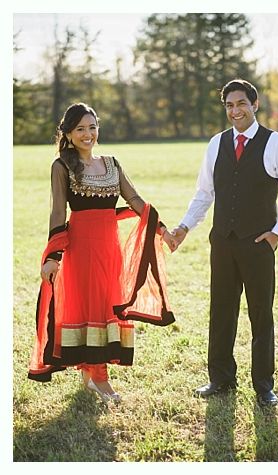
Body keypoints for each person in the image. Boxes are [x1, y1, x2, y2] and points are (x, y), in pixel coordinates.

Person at [167, 79, 278, 407]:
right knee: (221, 312)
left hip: (258, 244)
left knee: (261, 315)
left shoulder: (277, 144)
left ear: (255, 105)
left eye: (241, 103)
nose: (235, 111)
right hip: (223, 244)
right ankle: (221, 379)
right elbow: (204, 193)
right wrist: (185, 226)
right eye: (229, 105)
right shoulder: (216, 144)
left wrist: (276, 234)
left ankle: (263, 386)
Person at [29, 103, 176, 403]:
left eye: (92, 127)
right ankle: (99, 379)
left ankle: (90, 374)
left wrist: (161, 229)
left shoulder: (112, 164)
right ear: (68, 133)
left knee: (108, 307)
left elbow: (134, 199)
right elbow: (58, 211)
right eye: (80, 128)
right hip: (81, 250)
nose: (88, 134)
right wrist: (52, 257)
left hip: (110, 250)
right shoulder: (62, 167)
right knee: (90, 307)